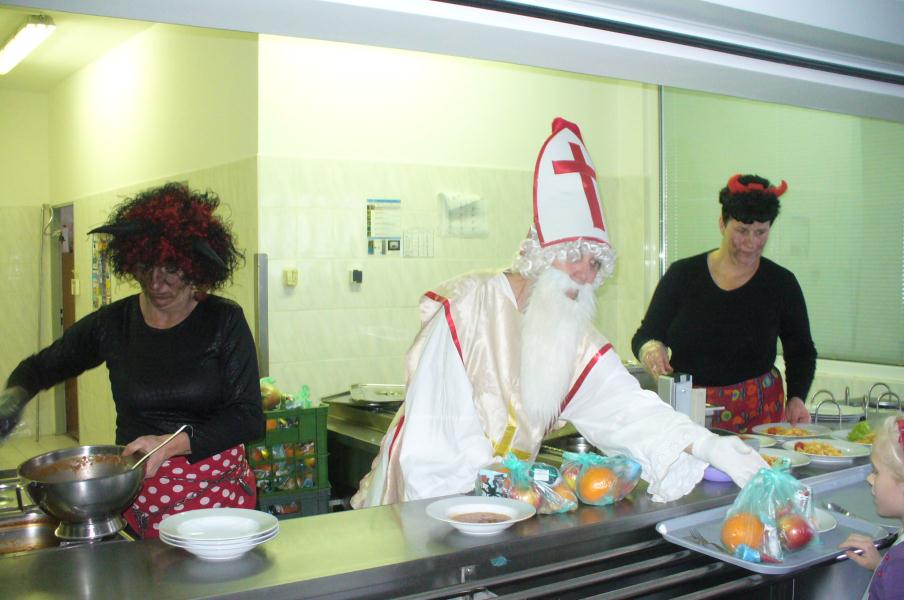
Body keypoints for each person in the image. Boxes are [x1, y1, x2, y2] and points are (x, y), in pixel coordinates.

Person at [351, 118, 766, 508]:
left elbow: (625, 407)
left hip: (497, 509)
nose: (586, 274)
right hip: (420, 506)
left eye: (595, 263)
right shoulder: (468, 307)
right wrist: (489, 505)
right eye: (575, 256)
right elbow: (434, 445)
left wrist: (708, 445)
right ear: (539, 256)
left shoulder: (568, 333)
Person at [0, 182, 263, 538]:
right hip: (140, 495)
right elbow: (40, 368)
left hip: (217, 496)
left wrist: (168, 444)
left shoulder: (223, 321)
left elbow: (248, 418)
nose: (156, 282)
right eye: (145, 266)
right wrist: (13, 398)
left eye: (171, 268)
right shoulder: (114, 324)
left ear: (195, 268)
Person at [631, 174, 816, 433]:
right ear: (722, 224)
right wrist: (651, 349)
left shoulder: (780, 283)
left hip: (760, 417)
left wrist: (796, 397)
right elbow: (646, 335)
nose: (751, 242)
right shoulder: (683, 275)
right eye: (741, 231)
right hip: (690, 413)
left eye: (760, 232)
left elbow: (801, 350)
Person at [839, 417, 904, 599]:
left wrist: (890, 571)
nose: (870, 479)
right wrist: (880, 566)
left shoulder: (900, 565)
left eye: (876, 472)